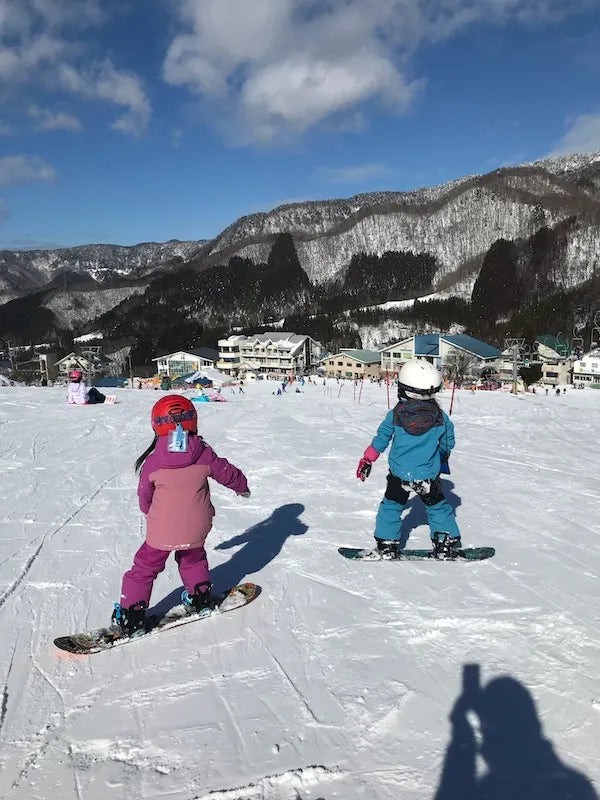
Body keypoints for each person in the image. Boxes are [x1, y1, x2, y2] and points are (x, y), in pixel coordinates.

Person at [112, 394, 250, 636]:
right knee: (192, 557)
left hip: (162, 529)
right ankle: (200, 597)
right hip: (198, 525)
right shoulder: (204, 453)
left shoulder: (153, 462)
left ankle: (131, 615)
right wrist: (241, 487)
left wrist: (148, 512)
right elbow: (227, 472)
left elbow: (144, 494)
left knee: (145, 566)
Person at [356, 360, 460, 559]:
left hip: (399, 474)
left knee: (391, 506)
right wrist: (442, 456)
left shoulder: (395, 415)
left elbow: (382, 438)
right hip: (428, 474)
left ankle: (387, 544)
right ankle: (444, 542)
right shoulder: (440, 418)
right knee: (438, 508)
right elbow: (448, 441)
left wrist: (368, 459)